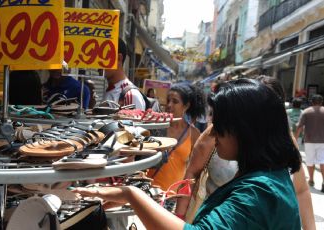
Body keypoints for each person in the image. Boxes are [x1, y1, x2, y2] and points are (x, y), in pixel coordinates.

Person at [74, 79, 302, 229]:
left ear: (246, 130)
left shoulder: (259, 191)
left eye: (220, 122)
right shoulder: (270, 177)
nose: (215, 131)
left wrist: (132, 194)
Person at [176, 76, 315, 230]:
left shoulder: (258, 190)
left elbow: (301, 190)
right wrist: (179, 215)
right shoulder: (267, 171)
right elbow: (191, 174)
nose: (214, 132)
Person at [146, 83, 205, 191]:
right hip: (147, 191)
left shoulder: (194, 134)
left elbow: (195, 171)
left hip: (172, 196)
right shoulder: (155, 127)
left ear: (186, 106)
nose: (169, 105)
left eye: (175, 101)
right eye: (168, 100)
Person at [104, 39, 145, 110]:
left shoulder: (130, 95)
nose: (98, 63)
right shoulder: (110, 90)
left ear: (119, 58)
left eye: (104, 57)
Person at [296, 94, 324, 192]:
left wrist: (295, 139)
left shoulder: (306, 111)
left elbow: (299, 127)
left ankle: (311, 180)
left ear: (311, 102)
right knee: (322, 161)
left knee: (310, 161)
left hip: (309, 141)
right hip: (323, 141)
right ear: (321, 102)